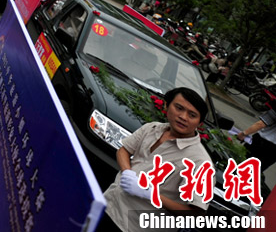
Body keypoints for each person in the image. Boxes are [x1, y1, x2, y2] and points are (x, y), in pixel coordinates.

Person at [102, 87, 212, 231]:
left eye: (192, 115)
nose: (183, 117)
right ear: (166, 105)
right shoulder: (151, 128)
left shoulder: (200, 162)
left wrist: (150, 193)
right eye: (179, 108)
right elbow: (124, 150)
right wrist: (127, 172)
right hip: (108, 205)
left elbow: (196, 213)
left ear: (199, 123)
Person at [235, 108, 276, 188]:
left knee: (240, 163)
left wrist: (243, 133)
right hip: (273, 153)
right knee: (253, 172)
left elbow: (261, 124)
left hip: (261, 143)